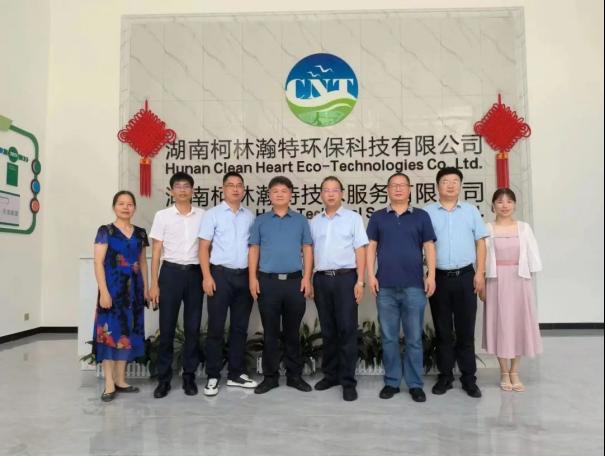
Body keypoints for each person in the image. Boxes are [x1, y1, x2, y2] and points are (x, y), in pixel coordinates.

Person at [366, 173, 436, 403]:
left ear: (409, 189)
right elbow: (371, 247)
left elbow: (429, 246)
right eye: (393, 186)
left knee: (414, 338)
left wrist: (431, 275)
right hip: (385, 286)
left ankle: (415, 384)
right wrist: (370, 275)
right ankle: (392, 382)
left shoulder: (421, 216)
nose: (398, 189)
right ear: (387, 190)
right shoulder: (378, 217)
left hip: (414, 286)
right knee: (389, 338)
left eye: (402, 185)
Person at [424, 167, 488, 398]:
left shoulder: (470, 211)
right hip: (439, 278)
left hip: (466, 277)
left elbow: (481, 243)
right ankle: (445, 377)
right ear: (437, 186)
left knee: (465, 331)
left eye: (454, 181)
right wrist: (429, 275)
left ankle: (469, 378)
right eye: (445, 181)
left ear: (460, 185)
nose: (450, 185)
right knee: (443, 331)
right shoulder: (427, 212)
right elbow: (424, 245)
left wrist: (480, 273)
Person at [248, 176, 314, 394]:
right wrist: (252, 278)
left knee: (293, 332)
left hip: (295, 283)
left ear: (291, 194)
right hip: (268, 283)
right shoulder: (261, 221)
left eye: (284, 191)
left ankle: (295, 376)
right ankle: (270, 377)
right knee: (270, 333)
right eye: (275, 191)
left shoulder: (300, 220)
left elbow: (307, 249)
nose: (279, 194)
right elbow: (254, 249)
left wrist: (307, 277)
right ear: (269, 195)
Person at [198, 172, 258, 396]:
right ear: (223, 189)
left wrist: (252, 277)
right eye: (230, 185)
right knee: (216, 327)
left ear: (244, 190)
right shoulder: (212, 214)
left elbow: (253, 249)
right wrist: (207, 276)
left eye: (239, 185)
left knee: (240, 328)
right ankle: (213, 375)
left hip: (244, 276)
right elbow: (203, 248)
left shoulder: (250, 216)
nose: (235, 189)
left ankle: (235, 373)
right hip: (219, 276)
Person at [310, 176, 368, 402]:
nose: (331, 194)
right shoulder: (314, 222)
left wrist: (360, 281)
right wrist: (310, 279)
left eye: (335, 190)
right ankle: (331, 375)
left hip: (346, 279)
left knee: (347, 330)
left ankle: (348, 381)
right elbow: (309, 252)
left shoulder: (353, 219)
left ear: (342, 193)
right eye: (326, 190)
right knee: (328, 330)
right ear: (321, 195)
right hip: (321, 279)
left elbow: (360, 250)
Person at [149, 172, 205, 398]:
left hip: (195, 274)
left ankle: (189, 377)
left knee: (192, 328)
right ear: (171, 191)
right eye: (178, 186)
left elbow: (207, 247)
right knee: (167, 329)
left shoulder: (203, 215)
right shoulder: (162, 216)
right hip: (170, 274)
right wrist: (154, 284)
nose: (182, 190)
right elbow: (156, 251)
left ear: (193, 190)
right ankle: (163, 380)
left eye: (186, 186)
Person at [482, 188, 543, 392]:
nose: (505, 205)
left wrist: (527, 280)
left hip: (519, 280)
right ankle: (504, 372)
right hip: (495, 281)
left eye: (509, 201)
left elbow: (533, 256)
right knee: (500, 325)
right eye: (500, 201)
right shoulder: (487, 228)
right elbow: (481, 258)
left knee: (519, 324)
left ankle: (515, 371)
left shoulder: (524, 228)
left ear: (515, 205)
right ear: (493, 205)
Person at [93, 190, 149, 402]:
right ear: (114, 207)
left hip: (134, 292)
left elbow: (142, 262)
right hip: (112, 290)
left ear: (134, 208)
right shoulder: (105, 231)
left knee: (128, 333)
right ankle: (109, 383)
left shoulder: (140, 233)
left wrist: (146, 288)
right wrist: (103, 291)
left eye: (129, 204)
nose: (126, 207)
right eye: (121, 203)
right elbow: (98, 262)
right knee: (109, 335)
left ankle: (120, 379)